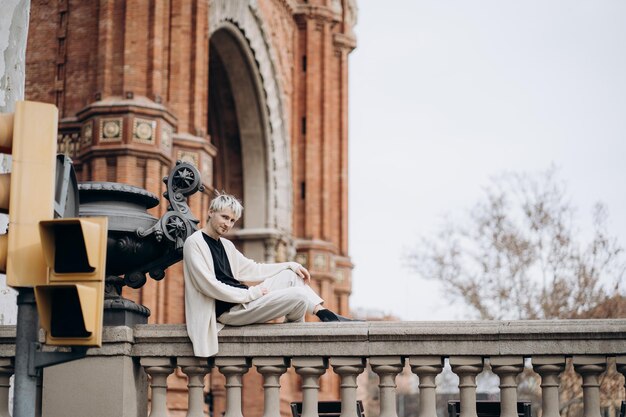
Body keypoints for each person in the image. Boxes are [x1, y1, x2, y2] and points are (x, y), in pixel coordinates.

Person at [183, 193, 354, 357]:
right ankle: (295, 331)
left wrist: (290, 265)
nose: (228, 224)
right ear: (210, 212)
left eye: (233, 220)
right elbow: (208, 285)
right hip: (229, 311)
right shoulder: (194, 243)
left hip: (244, 301)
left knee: (292, 276)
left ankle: (323, 313)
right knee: (299, 295)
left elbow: (254, 269)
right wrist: (252, 293)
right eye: (225, 217)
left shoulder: (226, 245)